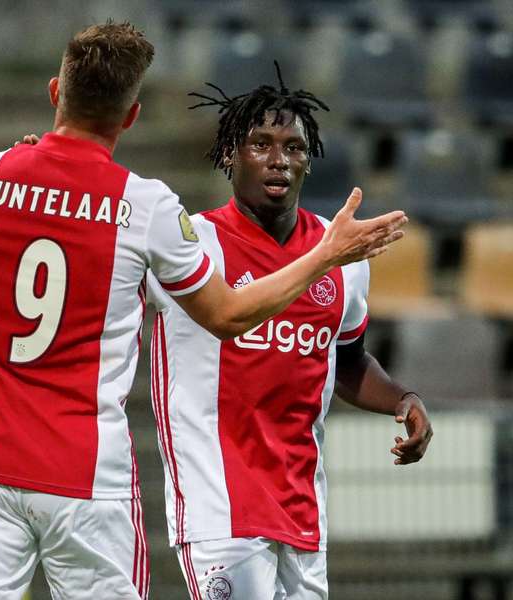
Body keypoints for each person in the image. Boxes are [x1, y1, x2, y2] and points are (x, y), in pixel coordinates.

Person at [0, 23, 406, 600]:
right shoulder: (143, 207)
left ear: (56, 92)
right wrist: (326, 256)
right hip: (86, 475)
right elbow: (226, 317)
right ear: (130, 118)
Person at [144, 65, 433, 599]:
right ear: (230, 154)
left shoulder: (340, 253)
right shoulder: (190, 243)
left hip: (302, 508)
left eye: (294, 147)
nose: (279, 159)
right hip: (219, 508)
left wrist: (403, 398)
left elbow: (345, 359)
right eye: (260, 144)